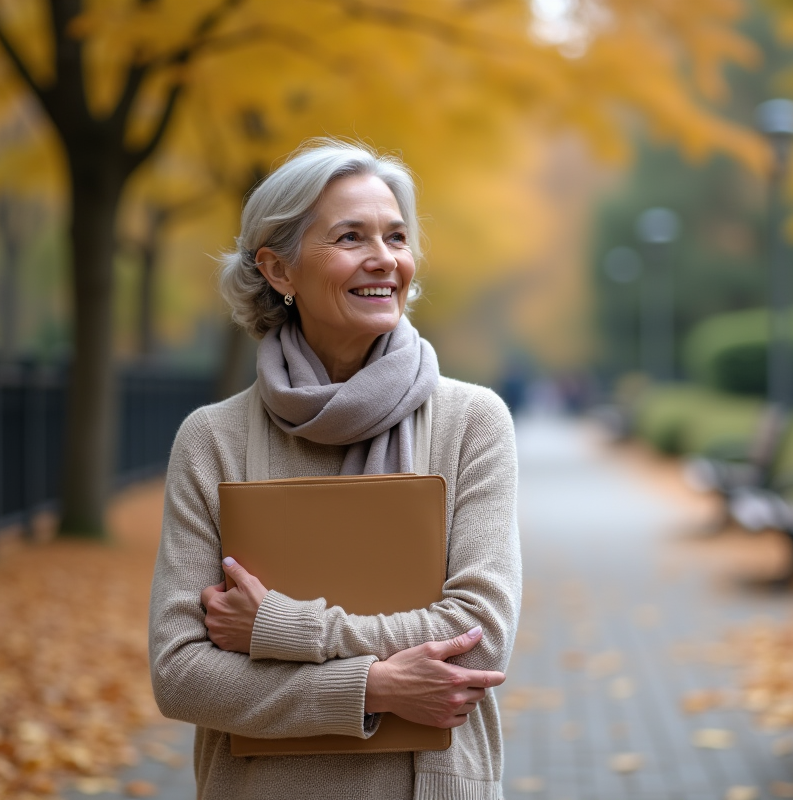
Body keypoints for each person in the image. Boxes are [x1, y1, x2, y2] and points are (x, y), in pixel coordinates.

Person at [148, 138, 522, 800]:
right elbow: (181, 673)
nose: (385, 260)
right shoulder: (212, 439)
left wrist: (278, 629)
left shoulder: (473, 422)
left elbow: (480, 637)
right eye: (352, 237)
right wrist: (372, 688)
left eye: (396, 236)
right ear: (278, 270)